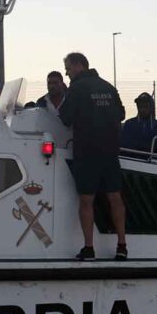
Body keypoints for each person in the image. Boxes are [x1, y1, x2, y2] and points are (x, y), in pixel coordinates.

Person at [58, 51, 127, 261]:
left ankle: (89, 248)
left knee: (86, 200)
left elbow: (66, 118)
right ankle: (122, 245)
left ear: (79, 66)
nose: (67, 73)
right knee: (115, 197)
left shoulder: (76, 88)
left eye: (68, 68)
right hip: (110, 151)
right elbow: (121, 114)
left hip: (87, 152)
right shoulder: (108, 86)